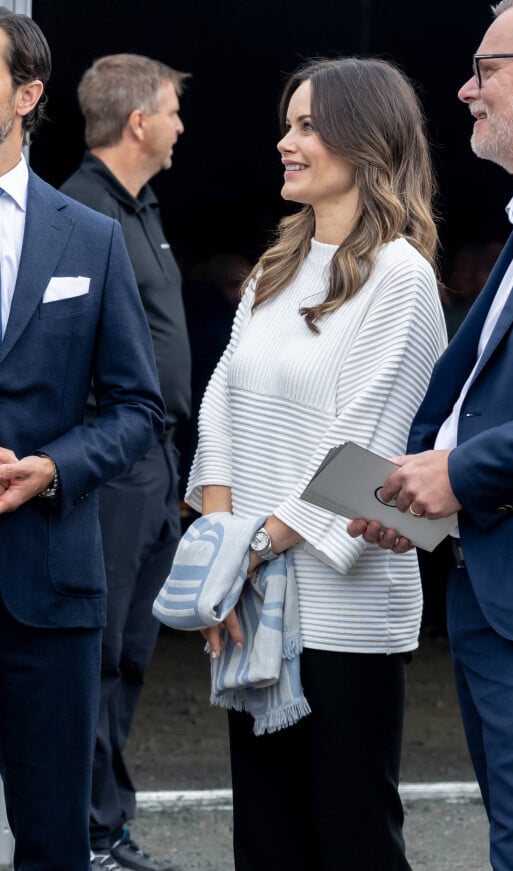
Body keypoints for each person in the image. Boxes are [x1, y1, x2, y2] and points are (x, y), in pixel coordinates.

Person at [186, 57, 447, 871]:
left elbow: (360, 451)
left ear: (365, 142)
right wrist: (223, 557)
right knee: (265, 842)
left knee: (353, 839)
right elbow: (218, 410)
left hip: (345, 613)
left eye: (306, 126)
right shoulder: (273, 268)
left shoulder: (401, 278)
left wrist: (243, 557)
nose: (284, 143)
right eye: (288, 123)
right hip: (253, 596)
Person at [349, 2, 513, 869]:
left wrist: (460, 473)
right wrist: (413, 493)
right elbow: (484, 401)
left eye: (485, 69)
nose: (465, 88)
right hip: (502, 601)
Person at [0, 9, 165, 871]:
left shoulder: (90, 237)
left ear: (27, 94)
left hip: (49, 590)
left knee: (55, 842)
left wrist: (53, 468)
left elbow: (139, 407)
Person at [61, 54, 191, 871]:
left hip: (157, 462)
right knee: (97, 655)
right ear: (138, 122)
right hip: (113, 466)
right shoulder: (77, 214)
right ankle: (84, 832)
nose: (182, 128)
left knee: (131, 654)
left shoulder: (140, 210)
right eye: (173, 112)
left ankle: (106, 823)